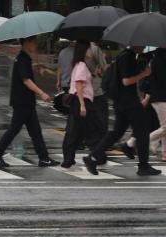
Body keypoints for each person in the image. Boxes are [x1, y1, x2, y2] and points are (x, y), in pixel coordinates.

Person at [83, 46, 162, 176]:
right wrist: (144, 74)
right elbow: (126, 81)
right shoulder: (128, 57)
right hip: (128, 101)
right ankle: (143, 165)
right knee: (142, 130)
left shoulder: (123, 55)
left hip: (120, 101)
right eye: (141, 44)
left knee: (117, 132)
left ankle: (92, 157)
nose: (143, 46)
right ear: (135, 43)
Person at [0, 36, 59, 168]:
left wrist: (35, 70)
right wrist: (42, 93)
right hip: (22, 101)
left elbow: (26, 76)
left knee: (35, 131)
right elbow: (26, 80)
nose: (35, 44)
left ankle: (44, 158)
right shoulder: (22, 59)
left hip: (26, 101)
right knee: (14, 129)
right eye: (33, 42)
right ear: (26, 43)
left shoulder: (25, 58)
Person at [61, 41, 100, 168]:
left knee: (75, 130)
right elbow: (78, 84)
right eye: (89, 49)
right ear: (84, 51)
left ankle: (68, 159)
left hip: (77, 100)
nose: (91, 52)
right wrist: (82, 105)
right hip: (81, 101)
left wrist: (93, 73)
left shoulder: (79, 65)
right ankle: (96, 156)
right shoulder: (82, 65)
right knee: (93, 128)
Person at [146, 48, 166, 160]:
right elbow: (162, 79)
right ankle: (136, 142)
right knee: (165, 127)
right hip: (160, 97)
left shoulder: (157, 59)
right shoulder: (159, 60)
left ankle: (165, 152)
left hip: (160, 97)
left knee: (164, 127)